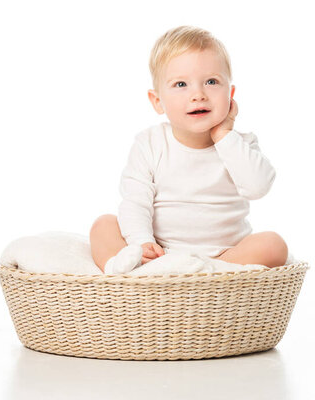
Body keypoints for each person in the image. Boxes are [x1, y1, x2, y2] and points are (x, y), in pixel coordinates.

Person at [90, 25, 288, 273]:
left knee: (273, 245)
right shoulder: (150, 144)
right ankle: (125, 269)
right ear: (158, 101)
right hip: (159, 251)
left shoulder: (240, 143)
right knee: (103, 226)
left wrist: (224, 135)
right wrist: (143, 242)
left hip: (225, 253)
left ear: (231, 94)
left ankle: (204, 271)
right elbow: (135, 202)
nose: (198, 94)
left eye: (212, 82)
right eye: (181, 84)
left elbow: (258, 186)